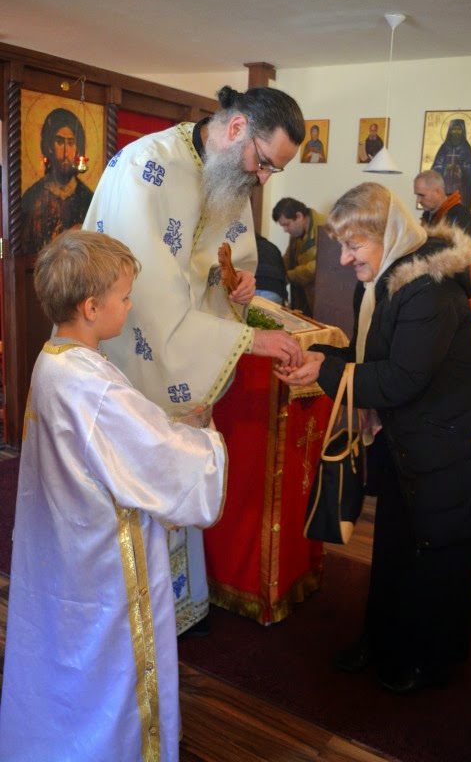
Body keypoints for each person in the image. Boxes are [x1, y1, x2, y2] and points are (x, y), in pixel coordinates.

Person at [82, 84, 305, 637]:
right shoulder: (147, 167)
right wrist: (247, 341)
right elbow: (150, 300)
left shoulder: (230, 174)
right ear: (237, 129)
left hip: (186, 355)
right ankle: (138, 615)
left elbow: (226, 262)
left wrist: (240, 284)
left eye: (273, 170)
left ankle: (176, 602)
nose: (264, 179)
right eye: (265, 162)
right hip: (135, 361)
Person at [0, 230, 227, 760]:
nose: (129, 305)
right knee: (107, 669)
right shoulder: (91, 383)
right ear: (91, 307)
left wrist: (167, 427)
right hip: (103, 563)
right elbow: (157, 457)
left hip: (65, 550)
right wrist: (203, 436)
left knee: (65, 659)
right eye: (124, 297)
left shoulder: (54, 358)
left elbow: (116, 438)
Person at [275, 182, 471, 694]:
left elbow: (401, 378)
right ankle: (382, 639)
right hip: (416, 441)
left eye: (354, 245)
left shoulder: (428, 290)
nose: (344, 258)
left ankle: (432, 661)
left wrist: (325, 370)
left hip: (457, 444)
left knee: (442, 558)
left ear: (391, 235)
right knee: (396, 548)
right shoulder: (383, 280)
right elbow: (372, 362)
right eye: (342, 245)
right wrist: (323, 360)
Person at [21, 107, 94, 254]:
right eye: (60, 142)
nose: (66, 152)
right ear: (49, 146)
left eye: (71, 143)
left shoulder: (88, 198)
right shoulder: (32, 197)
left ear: (78, 148)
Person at [414, 168, 471, 320]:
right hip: (435, 295)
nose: (418, 200)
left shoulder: (459, 216)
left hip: (455, 297)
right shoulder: (429, 215)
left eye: (421, 195)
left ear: (437, 191)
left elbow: (464, 263)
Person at [272, 197, 327, 317]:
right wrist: (276, 275)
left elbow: (320, 267)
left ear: (299, 216)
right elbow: (288, 258)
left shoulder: (326, 227)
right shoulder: (297, 232)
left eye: (287, 224)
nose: (285, 230)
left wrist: (289, 276)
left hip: (322, 299)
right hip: (303, 298)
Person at [431, 118, 471, 210]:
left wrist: (460, 169)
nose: (456, 132)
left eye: (459, 129)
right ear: (450, 131)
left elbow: (470, 168)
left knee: (457, 210)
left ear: (463, 131)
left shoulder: (466, 148)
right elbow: (436, 167)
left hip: (459, 188)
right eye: (454, 129)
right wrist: (444, 168)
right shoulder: (444, 147)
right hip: (445, 185)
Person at [254, 232, 288, 305]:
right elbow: (283, 271)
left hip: (254, 287)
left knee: (252, 312)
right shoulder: (273, 247)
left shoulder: (245, 248)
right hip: (276, 290)